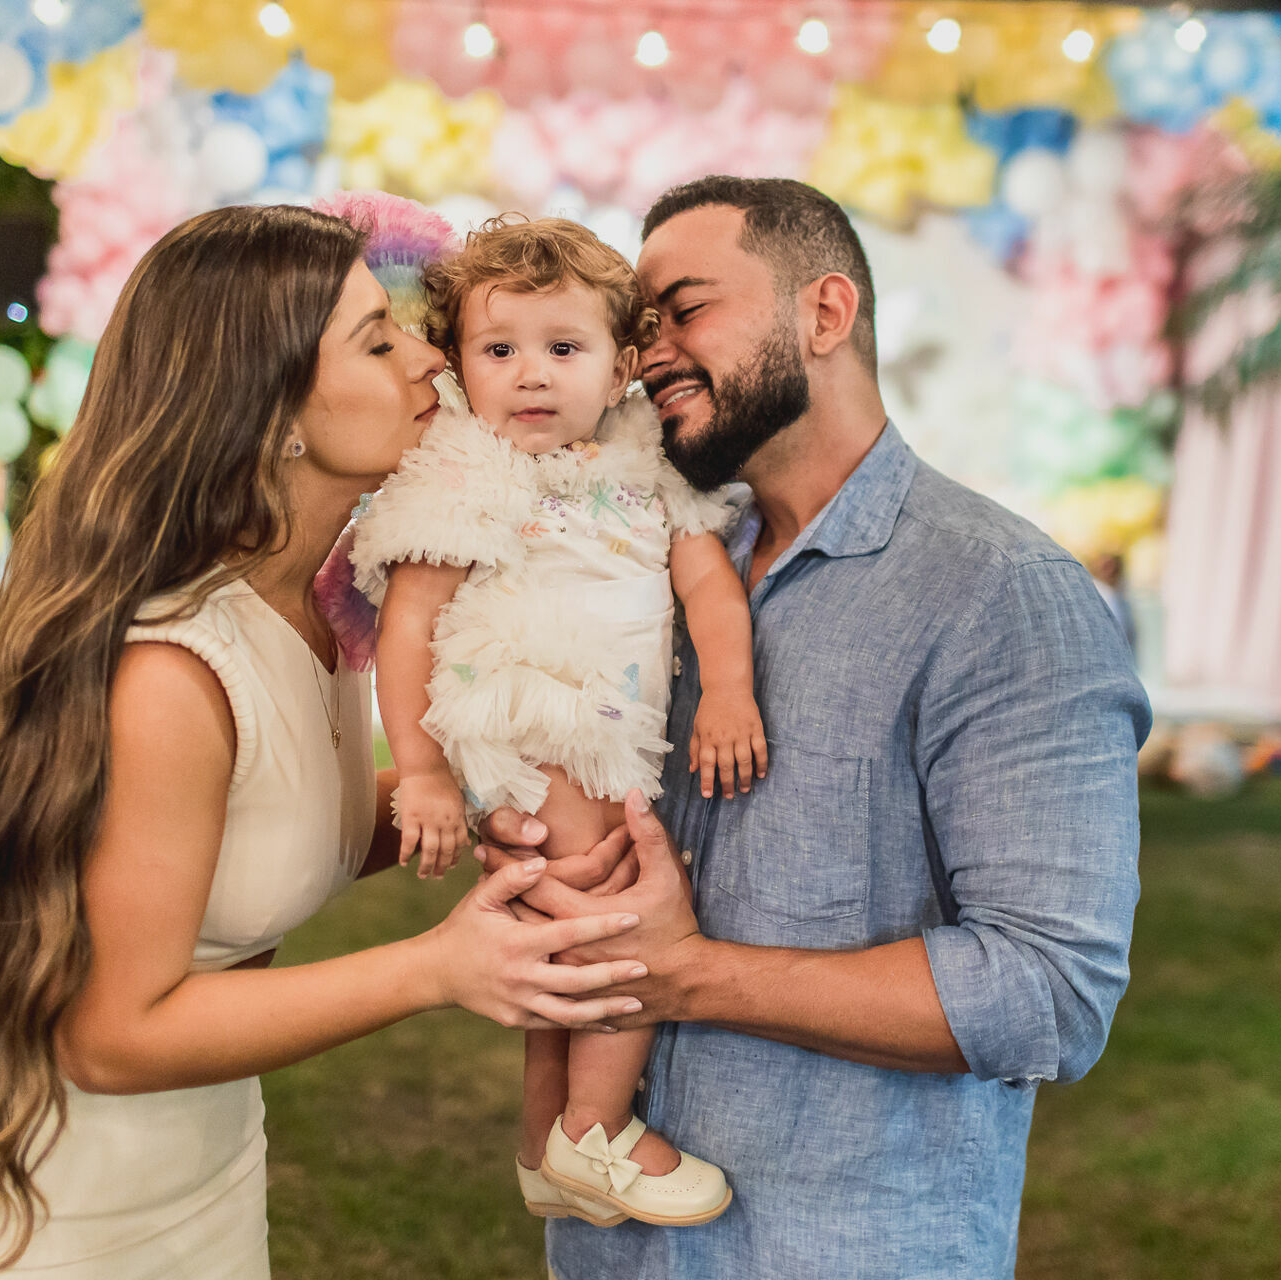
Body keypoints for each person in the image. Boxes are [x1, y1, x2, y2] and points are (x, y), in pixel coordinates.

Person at [0, 204, 647, 1279]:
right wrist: (437, 966)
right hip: (31, 1196)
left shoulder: (312, 601)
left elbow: (281, 815)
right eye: (375, 338)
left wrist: (503, 795)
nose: (429, 355)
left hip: (195, 1157)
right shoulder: (168, 673)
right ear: (276, 408)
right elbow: (114, 1030)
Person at [472, 177, 1152, 1280]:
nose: (650, 355)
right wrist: (531, 833)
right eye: (641, 327)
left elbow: (1048, 992)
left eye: (685, 310)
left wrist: (686, 971)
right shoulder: (663, 557)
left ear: (824, 315)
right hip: (612, 1250)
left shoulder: (1002, 594)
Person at [350, 217, 761, 1230]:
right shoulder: (466, 467)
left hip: (613, 725)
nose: (528, 376)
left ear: (623, 363)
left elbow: (707, 580)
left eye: (562, 349)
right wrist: (425, 771)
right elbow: (407, 627)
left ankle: (544, 1141)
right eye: (500, 351)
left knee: (557, 921)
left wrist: (729, 691)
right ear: (460, 362)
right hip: (528, 709)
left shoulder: (649, 457)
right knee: (618, 908)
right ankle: (598, 1126)